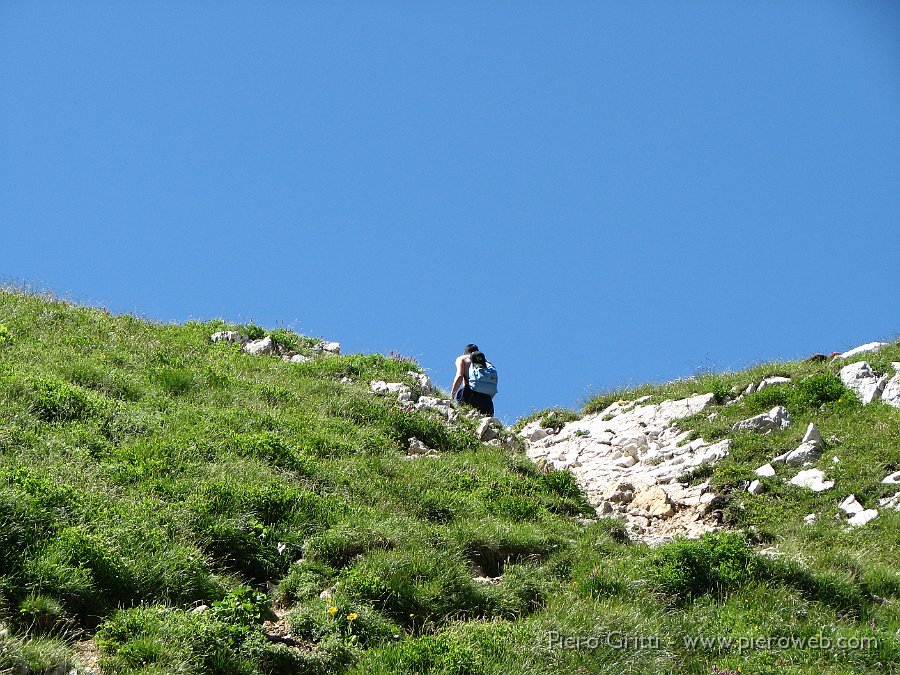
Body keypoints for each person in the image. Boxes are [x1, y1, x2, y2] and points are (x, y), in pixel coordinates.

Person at [450, 343, 497, 416]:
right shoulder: (487, 362)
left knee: (464, 416)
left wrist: (452, 396)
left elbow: (459, 376)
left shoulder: (462, 358)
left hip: (470, 394)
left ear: (464, 353)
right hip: (487, 400)